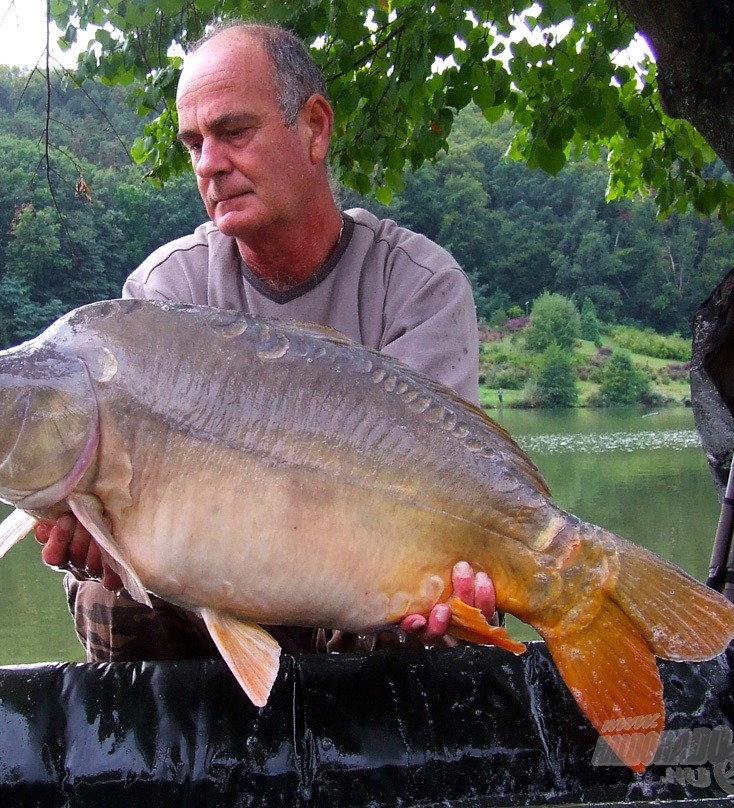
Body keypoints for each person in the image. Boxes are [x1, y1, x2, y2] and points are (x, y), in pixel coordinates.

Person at [36, 20, 496, 661]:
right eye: (194, 143)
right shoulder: (164, 293)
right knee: (106, 591)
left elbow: (451, 485)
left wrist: (458, 578)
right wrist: (106, 539)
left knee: (431, 626)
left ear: (314, 127)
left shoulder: (417, 285)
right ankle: (170, 761)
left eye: (233, 132)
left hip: (360, 581)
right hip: (211, 583)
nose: (209, 165)